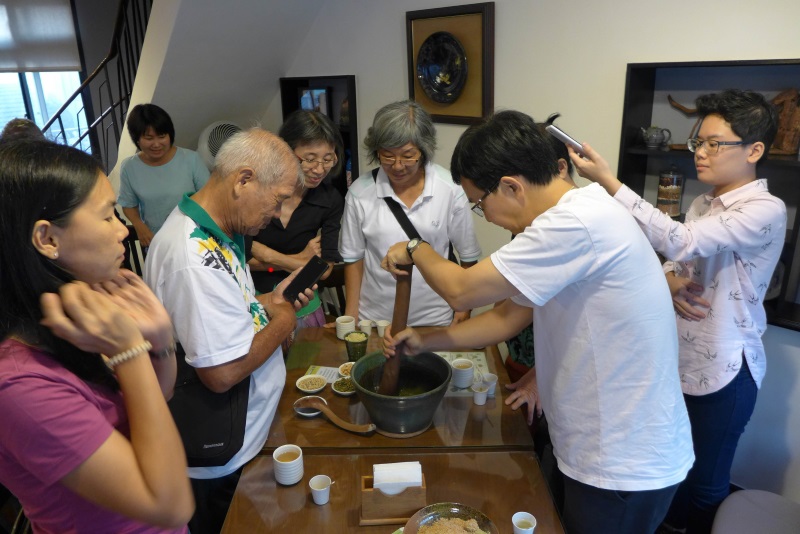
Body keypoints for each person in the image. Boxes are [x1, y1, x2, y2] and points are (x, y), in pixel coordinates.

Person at [382, 110, 694, 534]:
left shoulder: (571, 224)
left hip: (623, 459)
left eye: (479, 203)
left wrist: (414, 246)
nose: (486, 216)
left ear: (511, 186)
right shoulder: (584, 210)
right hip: (606, 445)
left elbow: (461, 290)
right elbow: (509, 316)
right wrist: (425, 340)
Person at [570, 89, 786, 534]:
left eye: (714, 143)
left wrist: (611, 184)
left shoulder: (766, 209)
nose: (701, 154)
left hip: (726, 368)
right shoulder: (703, 203)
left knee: (706, 483)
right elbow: (677, 262)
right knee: (670, 467)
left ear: (755, 150)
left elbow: (681, 241)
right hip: (679, 357)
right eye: (697, 142)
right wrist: (669, 281)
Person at [0, 140, 193, 532]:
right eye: (107, 217)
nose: (123, 230)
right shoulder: (18, 386)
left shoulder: (82, 311)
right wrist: (131, 350)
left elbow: (157, 399)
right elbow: (170, 504)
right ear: (47, 239)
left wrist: (159, 341)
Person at [144, 127, 311, 534]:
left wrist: (263, 305)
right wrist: (285, 319)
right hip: (222, 454)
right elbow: (220, 373)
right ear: (244, 179)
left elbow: (217, 315)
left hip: (246, 432)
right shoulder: (192, 257)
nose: (278, 214)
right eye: (279, 200)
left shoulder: (213, 229)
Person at [339, 100, 482, 326]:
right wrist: (351, 314)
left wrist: (463, 308)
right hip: (376, 319)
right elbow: (353, 257)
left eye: (408, 156)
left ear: (424, 151)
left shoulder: (450, 190)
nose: (397, 166)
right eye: (387, 156)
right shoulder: (360, 193)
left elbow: (468, 257)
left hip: (435, 319)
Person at [247, 110, 344, 343]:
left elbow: (326, 269)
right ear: (287, 152)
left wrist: (267, 255)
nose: (319, 169)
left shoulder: (330, 199)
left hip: (304, 305)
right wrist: (301, 260)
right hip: (257, 303)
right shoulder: (260, 189)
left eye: (328, 158)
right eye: (310, 159)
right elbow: (243, 259)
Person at [118, 103, 210, 248]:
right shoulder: (129, 167)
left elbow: (210, 197)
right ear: (137, 139)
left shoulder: (191, 159)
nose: (156, 144)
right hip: (157, 241)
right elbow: (128, 204)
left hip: (195, 238)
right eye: (149, 138)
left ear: (170, 135)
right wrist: (139, 226)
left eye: (162, 136)